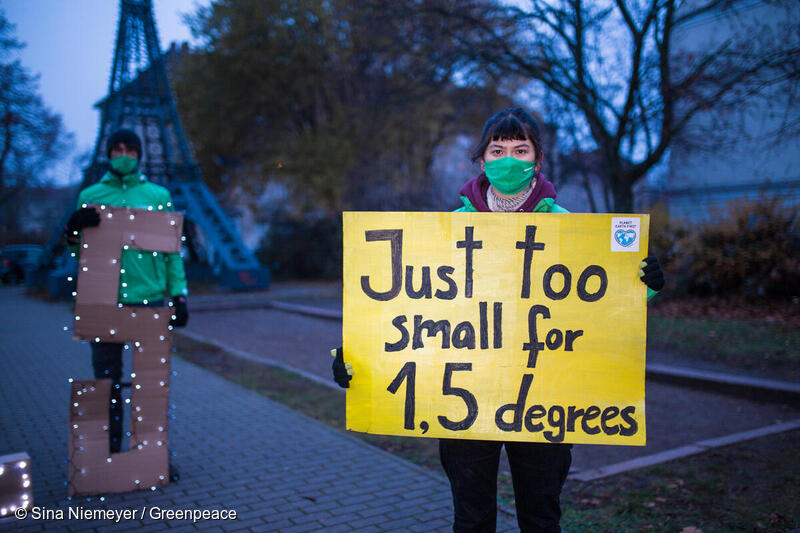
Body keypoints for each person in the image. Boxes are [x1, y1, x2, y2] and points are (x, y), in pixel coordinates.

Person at [332, 108, 664, 532]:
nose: (509, 159)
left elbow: (602, 306)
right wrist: (355, 357)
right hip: (464, 401)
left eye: (520, 149)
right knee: (471, 519)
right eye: (498, 149)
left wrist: (643, 284)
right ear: (482, 159)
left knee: (542, 518)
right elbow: (400, 309)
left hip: (547, 399)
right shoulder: (441, 232)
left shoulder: (573, 231)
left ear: (538, 159)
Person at [64, 128, 190, 459]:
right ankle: (108, 453)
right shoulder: (90, 195)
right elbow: (80, 255)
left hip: (148, 299)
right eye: (118, 149)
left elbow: (171, 253)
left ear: (139, 154)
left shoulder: (157, 195)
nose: (124, 155)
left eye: (130, 150)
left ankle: (151, 457)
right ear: (108, 153)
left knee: (151, 386)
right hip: (103, 302)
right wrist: (73, 231)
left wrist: (179, 294)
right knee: (105, 383)